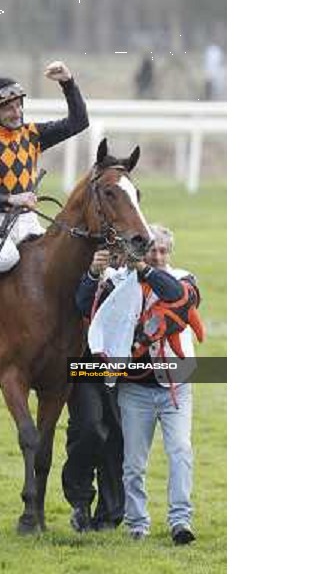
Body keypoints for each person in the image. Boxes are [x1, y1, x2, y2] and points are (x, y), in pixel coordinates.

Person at [70, 225, 202, 545]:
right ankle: (137, 523)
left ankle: (180, 521)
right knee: (133, 463)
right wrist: (92, 272)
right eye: (151, 250)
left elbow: (176, 297)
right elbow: (83, 304)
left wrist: (142, 268)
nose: (157, 256)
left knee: (181, 451)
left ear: (170, 253)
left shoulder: (184, 278)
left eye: (162, 251)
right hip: (135, 389)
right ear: (141, 251)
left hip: (176, 383)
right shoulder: (120, 282)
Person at [0, 60, 89, 311]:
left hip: (27, 222)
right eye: (9, 108)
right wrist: (10, 200)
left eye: (18, 105)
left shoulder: (33, 134)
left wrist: (68, 83)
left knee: (60, 261)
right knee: (6, 258)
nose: (17, 112)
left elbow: (79, 122)